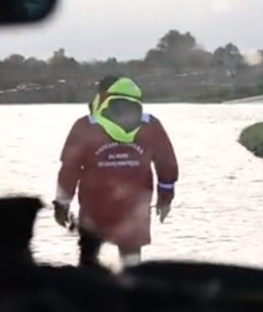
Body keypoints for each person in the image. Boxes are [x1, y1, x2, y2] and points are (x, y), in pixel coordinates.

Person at [53, 76, 178, 268]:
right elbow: (167, 164)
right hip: (134, 208)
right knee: (132, 262)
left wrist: (61, 203)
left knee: (89, 260)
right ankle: (131, 293)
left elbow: (69, 169)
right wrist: (165, 197)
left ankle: (88, 292)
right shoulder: (151, 125)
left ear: (102, 97)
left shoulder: (85, 126)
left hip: (94, 210)